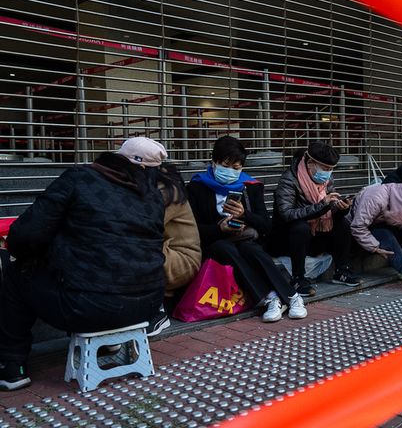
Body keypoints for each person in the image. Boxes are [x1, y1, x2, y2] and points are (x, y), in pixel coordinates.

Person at [0, 138, 169, 391]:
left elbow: (25, 235)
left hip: (88, 308)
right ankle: (111, 342)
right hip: (148, 307)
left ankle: (12, 367)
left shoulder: (78, 178)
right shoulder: (153, 196)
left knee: (14, 270)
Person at [187, 136, 306, 323]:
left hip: (245, 239)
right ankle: (271, 298)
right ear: (214, 162)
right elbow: (192, 228)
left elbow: (266, 225)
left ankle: (292, 297)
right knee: (223, 247)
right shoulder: (196, 187)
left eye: (237, 167)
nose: (231, 171)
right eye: (226, 165)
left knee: (249, 248)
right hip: (214, 243)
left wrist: (244, 215)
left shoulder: (250, 187)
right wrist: (220, 228)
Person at [269, 142, 361, 297]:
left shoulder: (327, 180)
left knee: (343, 223)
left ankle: (342, 271)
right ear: (310, 163)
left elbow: (329, 211)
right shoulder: (289, 179)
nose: (328, 173)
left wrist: (341, 208)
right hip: (287, 239)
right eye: (325, 169)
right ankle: (297, 278)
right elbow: (287, 214)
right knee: (301, 227)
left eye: (331, 169)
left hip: (315, 235)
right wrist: (322, 205)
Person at [156, 162, 202, 318]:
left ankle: (157, 310)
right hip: (173, 255)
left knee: (138, 246)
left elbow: (145, 227)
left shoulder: (168, 193)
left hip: (184, 262)